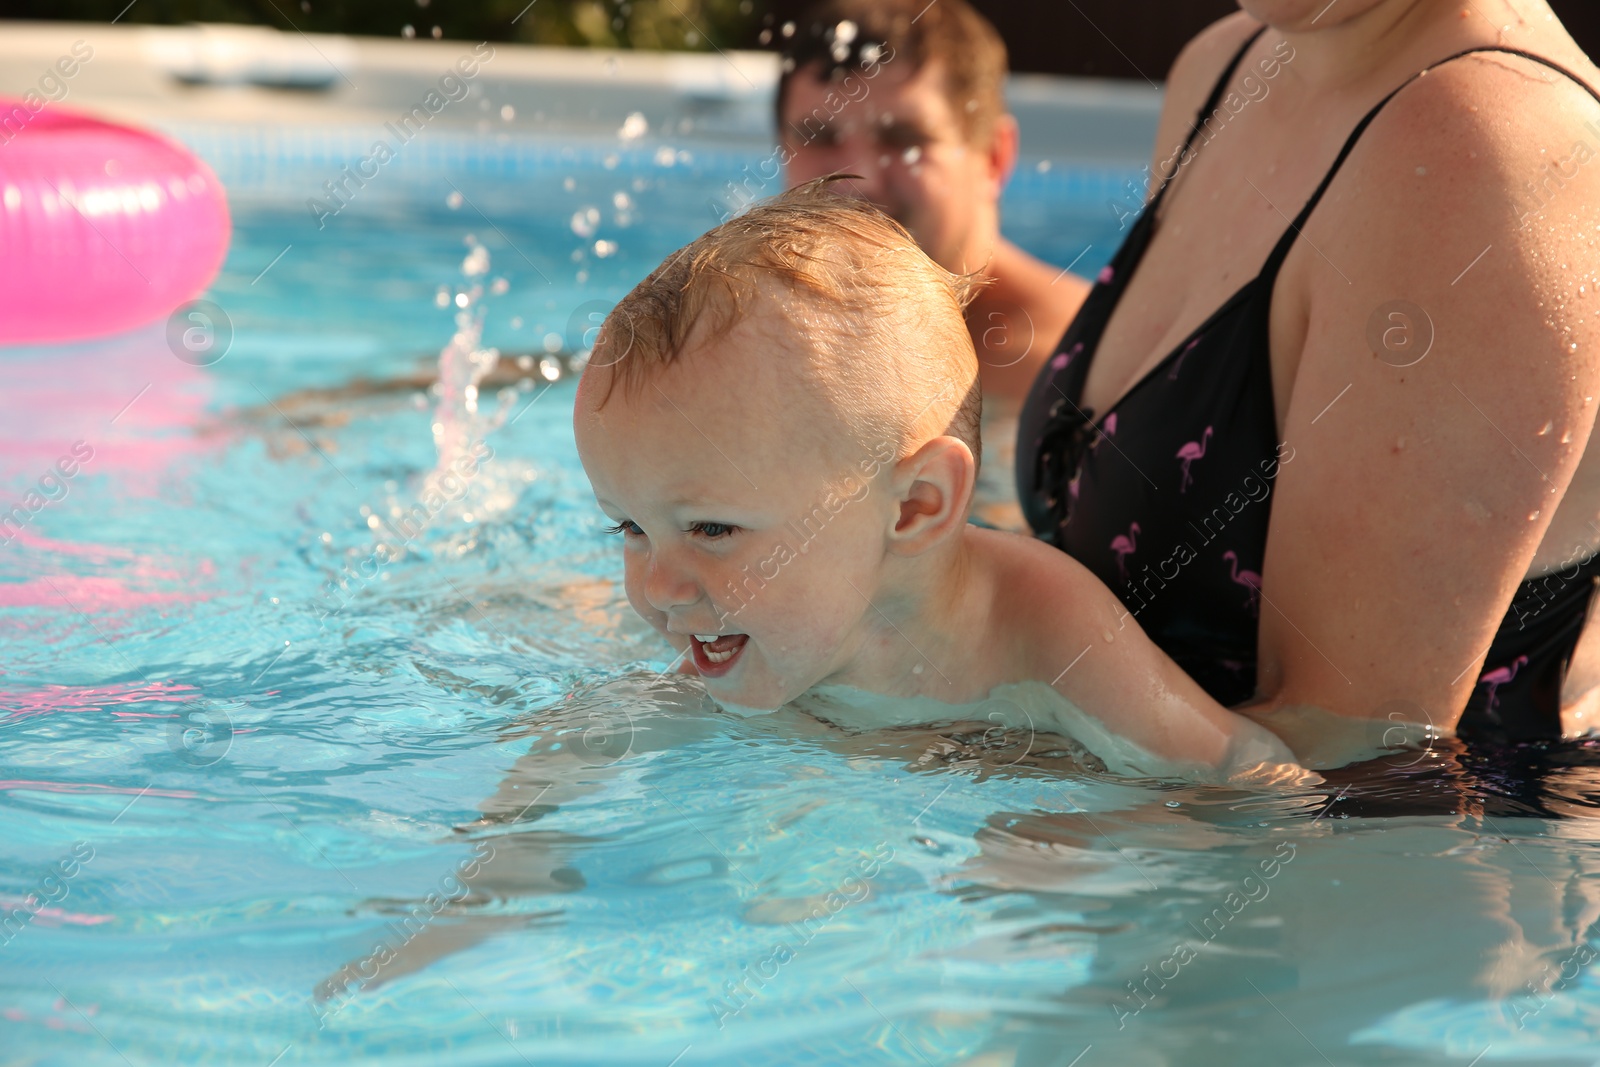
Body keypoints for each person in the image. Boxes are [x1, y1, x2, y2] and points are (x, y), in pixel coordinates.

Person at [571, 181, 1304, 781]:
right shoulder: (753, 629)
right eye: (630, 528)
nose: (657, 589)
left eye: (711, 529)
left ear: (917, 506)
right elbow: (588, 747)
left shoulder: (1039, 625)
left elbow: (1235, 765)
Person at [1015, 0, 1600, 749]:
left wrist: (964, 716)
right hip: (1117, 838)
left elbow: (1352, 765)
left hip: (1402, 853)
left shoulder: (1480, 148)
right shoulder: (1229, 63)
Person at [774, 0, 1092, 411]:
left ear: (994, 157)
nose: (857, 178)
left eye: (904, 139)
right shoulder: (732, 335)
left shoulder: (1076, 365)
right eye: (820, 137)